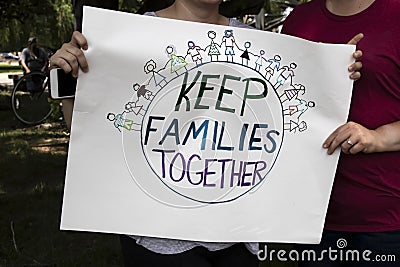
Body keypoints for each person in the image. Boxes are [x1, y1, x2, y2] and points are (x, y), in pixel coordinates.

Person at [50, 0, 363, 266]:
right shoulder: (126, 38)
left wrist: (331, 73)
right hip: (158, 237)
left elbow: (293, 119)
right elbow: (89, 132)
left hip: (240, 238)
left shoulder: (255, 42)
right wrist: (63, 80)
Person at [281, 0, 400, 266]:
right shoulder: (299, 20)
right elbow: (283, 105)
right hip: (313, 217)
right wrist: (325, 73)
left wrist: (377, 137)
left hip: (387, 218)